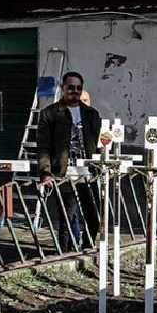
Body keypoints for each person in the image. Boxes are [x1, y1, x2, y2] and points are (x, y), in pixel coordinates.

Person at [37, 71, 101, 251]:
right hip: (64, 173)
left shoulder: (91, 114)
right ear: (63, 88)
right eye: (70, 87)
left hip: (88, 173)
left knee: (93, 215)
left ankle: (88, 248)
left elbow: (96, 143)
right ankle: (66, 253)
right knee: (68, 217)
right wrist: (45, 173)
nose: (75, 91)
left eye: (78, 88)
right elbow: (43, 146)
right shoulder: (49, 113)